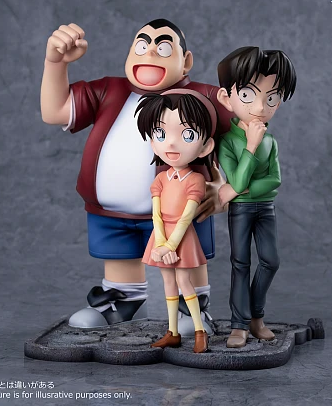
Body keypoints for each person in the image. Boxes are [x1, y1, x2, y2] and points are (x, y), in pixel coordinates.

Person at [40, 19, 230, 333]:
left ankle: (193, 308)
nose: (150, 53)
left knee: (185, 257)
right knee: (119, 258)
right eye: (142, 45)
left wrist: (224, 185)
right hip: (110, 213)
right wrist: (55, 63)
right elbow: (55, 111)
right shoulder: (108, 91)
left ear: (186, 61)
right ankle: (122, 302)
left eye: (163, 47)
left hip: (180, 206)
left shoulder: (201, 96)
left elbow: (244, 133)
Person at [216, 47, 296, 348]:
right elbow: (236, 180)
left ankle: (255, 317)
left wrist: (244, 188)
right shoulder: (227, 141)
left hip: (265, 207)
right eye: (248, 95)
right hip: (240, 211)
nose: (261, 107)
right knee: (240, 264)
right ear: (227, 98)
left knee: (270, 261)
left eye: (272, 98)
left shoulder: (270, 141)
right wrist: (250, 146)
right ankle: (240, 324)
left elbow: (275, 181)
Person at [135, 89, 218, 353]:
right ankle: (172, 331)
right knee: (168, 284)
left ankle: (199, 330)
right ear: (152, 141)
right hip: (161, 237)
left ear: (205, 146)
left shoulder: (195, 179)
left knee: (185, 283)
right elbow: (155, 214)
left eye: (187, 135)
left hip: (182, 237)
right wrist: (161, 244)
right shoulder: (161, 178)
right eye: (161, 134)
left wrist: (171, 246)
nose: (171, 144)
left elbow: (186, 217)